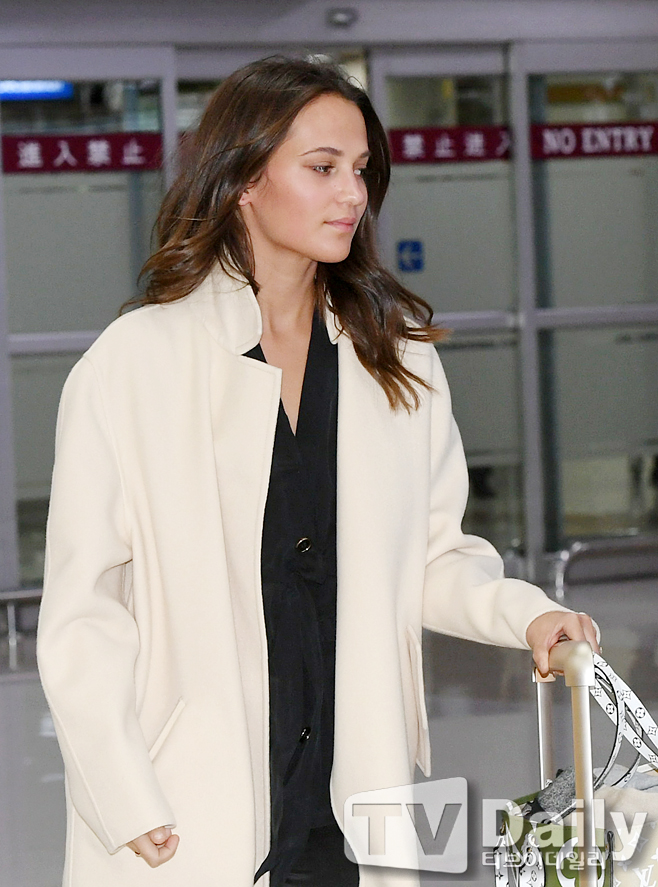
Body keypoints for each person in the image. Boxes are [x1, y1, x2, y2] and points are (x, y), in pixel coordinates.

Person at [36, 56, 598, 887]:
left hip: (353, 798)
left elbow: (435, 553)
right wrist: (125, 790)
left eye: (362, 170)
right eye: (323, 169)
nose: (353, 195)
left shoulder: (394, 358)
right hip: (188, 808)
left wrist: (529, 614)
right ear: (242, 181)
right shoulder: (137, 364)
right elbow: (85, 612)